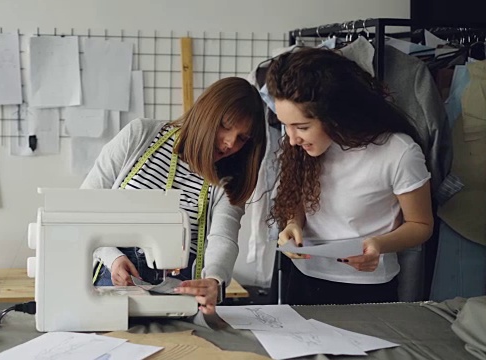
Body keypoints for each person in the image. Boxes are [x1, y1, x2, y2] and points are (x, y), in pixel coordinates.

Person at [82, 77, 266, 314]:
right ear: (206, 113)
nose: (230, 142)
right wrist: (112, 258)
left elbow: (224, 238)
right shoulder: (140, 136)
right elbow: (85, 208)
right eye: (225, 126)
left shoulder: (229, 178)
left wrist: (214, 280)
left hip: (179, 287)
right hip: (116, 272)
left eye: (242, 138)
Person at [265, 47, 434, 305]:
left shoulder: (399, 152)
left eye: (301, 127)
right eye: (284, 125)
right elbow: (301, 198)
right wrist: (293, 224)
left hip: (367, 288)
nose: (291, 139)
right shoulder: (306, 147)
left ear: (335, 115)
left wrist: (378, 244)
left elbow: (421, 226)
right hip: (303, 279)